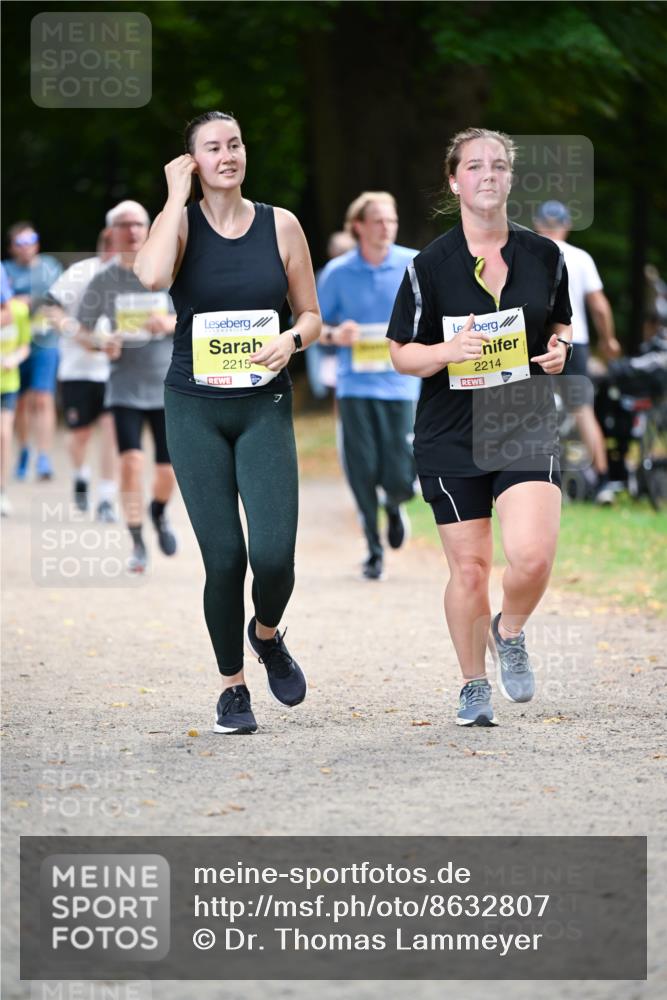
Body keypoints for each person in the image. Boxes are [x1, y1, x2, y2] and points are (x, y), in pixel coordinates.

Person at [133, 110, 321, 735]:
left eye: (236, 143)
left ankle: (266, 634)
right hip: (194, 408)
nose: (228, 155)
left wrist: (292, 339)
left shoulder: (282, 225)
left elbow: (312, 315)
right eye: (212, 148)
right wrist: (172, 198)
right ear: (193, 161)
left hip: (263, 404)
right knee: (225, 558)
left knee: (274, 555)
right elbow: (152, 276)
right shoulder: (179, 226)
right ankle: (232, 687)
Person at [387, 128, 573, 727]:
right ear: (455, 180)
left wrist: (558, 349)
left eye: (498, 165)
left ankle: (509, 630)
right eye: (474, 166)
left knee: (532, 556)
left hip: (524, 420)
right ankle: (473, 685)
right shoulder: (429, 265)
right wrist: (447, 349)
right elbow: (401, 354)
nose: (487, 174)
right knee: (469, 568)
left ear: (510, 179)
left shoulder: (545, 256)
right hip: (451, 432)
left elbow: (560, 326)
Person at [317, 192, 420, 580]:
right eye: (377, 220)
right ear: (358, 226)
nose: (386, 227)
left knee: (400, 472)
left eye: (391, 220)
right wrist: (334, 334)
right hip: (354, 387)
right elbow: (313, 328)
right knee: (361, 470)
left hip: (401, 385)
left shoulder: (412, 264)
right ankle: (373, 549)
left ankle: (395, 503)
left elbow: (434, 315)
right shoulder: (338, 273)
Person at [76, 201, 178, 571]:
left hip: (169, 386)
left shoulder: (168, 272)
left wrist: (169, 324)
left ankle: (159, 512)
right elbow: (81, 331)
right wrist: (102, 342)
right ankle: (137, 542)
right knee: (131, 463)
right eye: (124, 225)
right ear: (112, 234)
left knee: (169, 472)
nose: (132, 230)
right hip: (124, 388)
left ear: (149, 229)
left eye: (138, 224)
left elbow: (196, 315)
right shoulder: (103, 281)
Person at [533, 200, 621, 505]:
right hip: (575, 341)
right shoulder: (581, 257)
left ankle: (532, 479)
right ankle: (602, 481)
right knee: (582, 410)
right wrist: (608, 340)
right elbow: (599, 305)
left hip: (536, 341)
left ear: (537, 225)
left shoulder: (528, 253)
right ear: (567, 225)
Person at [46, 230, 119, 521]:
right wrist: (78, 334)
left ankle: (106, 498)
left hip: (114, 371)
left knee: (112, 432)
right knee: (80, 435)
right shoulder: (81, 272)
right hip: (77, 369)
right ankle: (80, 475)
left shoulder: (133, 276)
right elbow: (51, 310)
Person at [2, 222, 62, 480]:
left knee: (43, 398)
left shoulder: (51, 267)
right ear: (12, 247)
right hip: (15, 344)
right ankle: (24, 449)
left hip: (45, 343)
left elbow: (63, 299)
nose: (26, 247)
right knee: (22, 403)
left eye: (31, 240)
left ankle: (44, 457)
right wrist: (18, 303)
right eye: (20, 242)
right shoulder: (6, 270)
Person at [306, 230, 356, 400]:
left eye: (347, 251)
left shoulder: (358, 276)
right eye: (340, 251)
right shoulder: (322, 276)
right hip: (329, 345)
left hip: (356, 344)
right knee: (338, 391)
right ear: (331, 252)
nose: (343, 256)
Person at [0, 265, 31, 515]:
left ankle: (1, 491)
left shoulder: (19, 311)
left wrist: (14, 359)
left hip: (7, 384)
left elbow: (25, 346)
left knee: (4, 435)